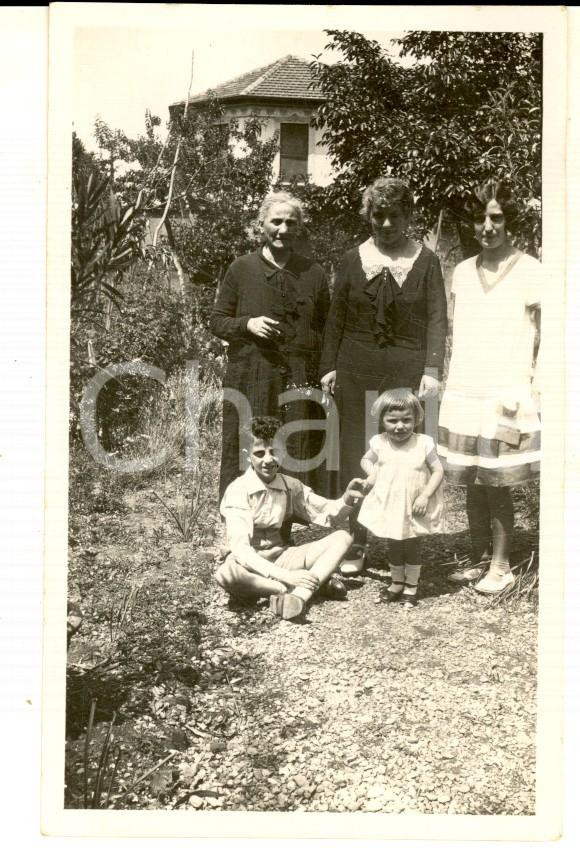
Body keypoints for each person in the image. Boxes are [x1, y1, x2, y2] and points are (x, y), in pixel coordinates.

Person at [319, 176, 447, 574]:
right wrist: (329, 366)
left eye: (395, 215)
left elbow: (437, 318)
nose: (387, 223)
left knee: (401, 456)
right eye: (379, 215)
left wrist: (431, 369)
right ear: (368, 216)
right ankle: (355, 541)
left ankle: (400, 541)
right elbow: (335, 316)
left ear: (407, 216)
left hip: (405, 370)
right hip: (355, 367)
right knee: (358, 452)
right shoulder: (352, 258)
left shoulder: (426, 261)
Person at [437, 180, 542, 594]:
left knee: (497, 482)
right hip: (466, 389)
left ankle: (502, 566)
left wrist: (536, 383)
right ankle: (479, 557)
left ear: (509, 221)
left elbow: (548, 334)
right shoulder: (462, 271)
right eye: (480, 218)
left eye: (495, 217)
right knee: (470, 480)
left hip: (507, 393)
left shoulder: (532, 270)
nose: (487, 226)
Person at [210, 192, 330, 500]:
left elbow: (325, 327)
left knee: (292, 448)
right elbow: (217, 320)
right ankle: (242, 525)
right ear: (261, 224)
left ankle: (283, 526)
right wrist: (246, 324)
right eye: (276, 221)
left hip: (298, 376)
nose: (283, 229)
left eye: (291, 222)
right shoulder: (241, 268)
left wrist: (323, 368)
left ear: (300, 228)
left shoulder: (313, 273)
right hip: (251, 374)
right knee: (249, 446)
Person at [215, 417, 367, 621]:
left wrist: (348, 498)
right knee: (225, 574)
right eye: (259, 454)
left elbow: (327, 514)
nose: (268, 460)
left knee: (343, 538)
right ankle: (294, 587)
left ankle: (298, 596)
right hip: (250, 565)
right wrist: (286, 577)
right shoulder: (238, 489)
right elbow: (241, 549)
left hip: (283, 557)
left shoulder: (290, 486)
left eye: (274, 452)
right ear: (247, 456)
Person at [357, 389, 444, 607]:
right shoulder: (379, 442)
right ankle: (396, 582)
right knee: (393, 542)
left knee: (412, 543)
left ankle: (412, 586)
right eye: (392, 420)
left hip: (414, 503)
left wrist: (425, 496)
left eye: (407, 420)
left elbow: (438, 471)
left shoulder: (423, 442)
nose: (400, 426)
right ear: (382, 420)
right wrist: (373, 473)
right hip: (390, 503)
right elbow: (365, 460)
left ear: (416, 419)